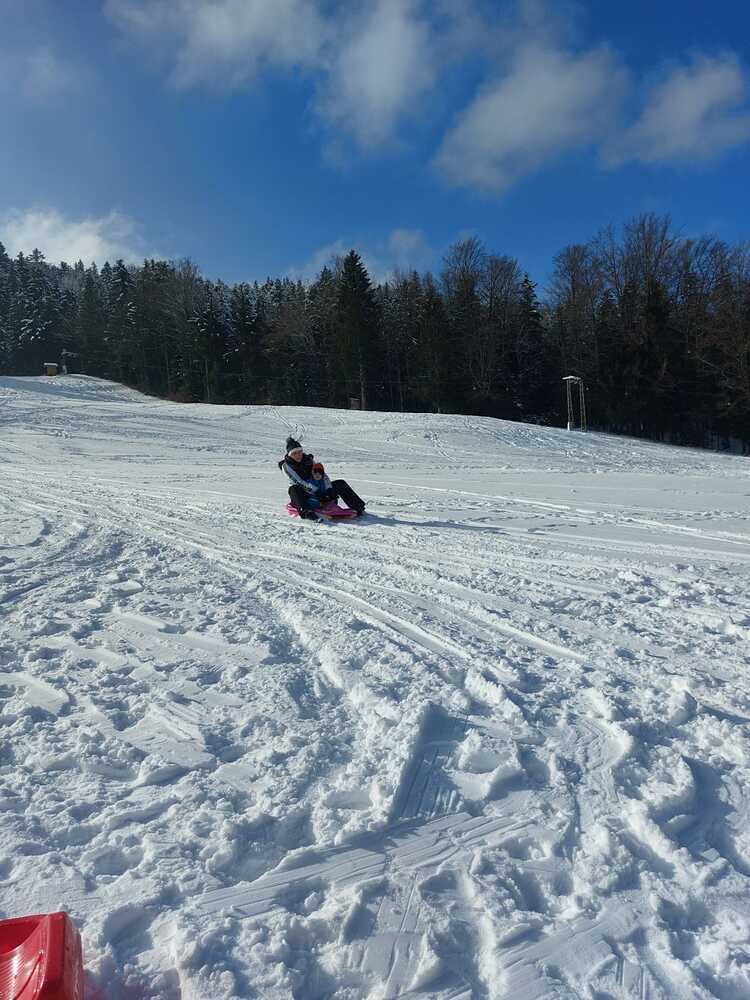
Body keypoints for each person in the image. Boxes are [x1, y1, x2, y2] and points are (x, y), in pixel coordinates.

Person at [278, 436, 366, 521]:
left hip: (318, 488)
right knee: (294, 489)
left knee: (340, 483)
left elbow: (322, 475)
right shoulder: (286, 465)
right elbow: (298, 481)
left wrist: (328, 489)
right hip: (303, 494)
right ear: (289, 455)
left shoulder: (308, 460)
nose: (298, 455)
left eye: (300, 452)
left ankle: (358, 507)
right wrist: (317, 492)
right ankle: (306, 512)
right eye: (294, 453)